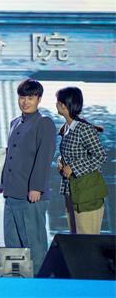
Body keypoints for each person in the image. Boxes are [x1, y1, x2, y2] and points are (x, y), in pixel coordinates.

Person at [0, 79, 56, 276]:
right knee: (12, 244)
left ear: (39, 99)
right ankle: (16, 285)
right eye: (22, 97)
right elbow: (10, 157)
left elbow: (44, 157)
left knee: (34, 245)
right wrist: (1, 183)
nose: (25, 102)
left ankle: (39, 286)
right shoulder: (14, 123)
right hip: (11, 193)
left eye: (30, 98)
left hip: (31, 195)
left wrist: (36, 187)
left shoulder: (44, 123)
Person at [55, 86, 107, 234]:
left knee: (87, 239)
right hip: (71, 191)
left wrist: (73, 167)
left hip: (87, 192)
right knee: (76, 239)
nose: (56, 104)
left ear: (64, 105)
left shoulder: (83, 129)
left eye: (58, 101)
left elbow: (100, 156)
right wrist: (61, 162)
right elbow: (72, 153)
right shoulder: (65, 128)